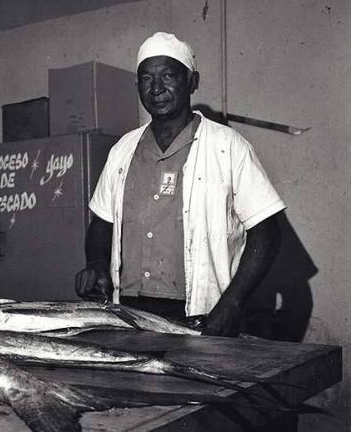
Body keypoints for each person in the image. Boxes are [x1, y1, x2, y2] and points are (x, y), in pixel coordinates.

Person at [75, 32, 286, 337]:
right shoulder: (123, 150)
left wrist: (233, 302)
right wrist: (96, 262)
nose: (156, 88)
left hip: (202, 313)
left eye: (168, 75)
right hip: (130, 313)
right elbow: (102, 221)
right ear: (138, 86)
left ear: (192, 81)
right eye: (146, 78)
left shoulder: (228, 146)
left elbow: (267, 231)